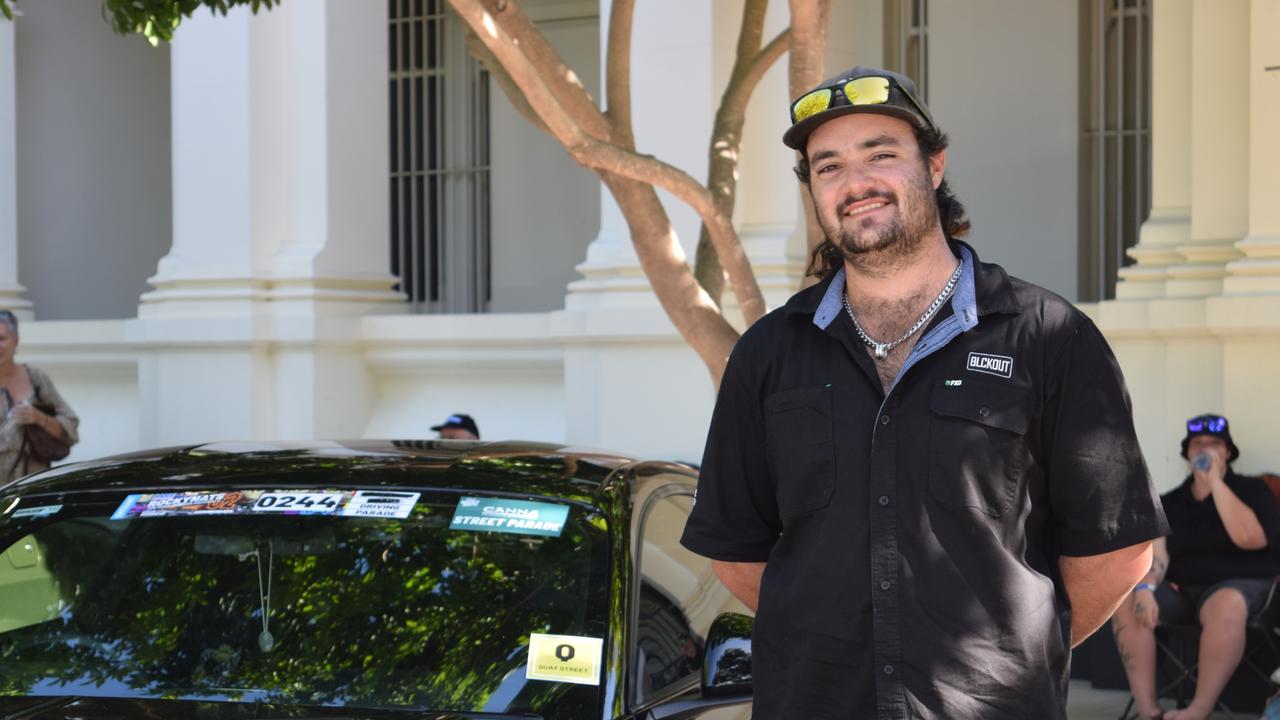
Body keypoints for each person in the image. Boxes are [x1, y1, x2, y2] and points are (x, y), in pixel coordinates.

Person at [678, 66, 1169, 719]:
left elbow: (1117, 547)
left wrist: (1013, 651)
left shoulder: (1049, 338)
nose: (856, 183)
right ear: (815, 192)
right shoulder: (769, 354)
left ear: (935, 166)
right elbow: (738, 554)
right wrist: (833, 641)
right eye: (828, 167)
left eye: (880, 154)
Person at [1111, 414, 1280, 720]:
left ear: (1228, 452)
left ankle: (1198, 709)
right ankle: (1149, 711)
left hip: (1244, 589)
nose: (1204, 450)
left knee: (1224, 604)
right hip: (1184, 591)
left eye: (1214, 444)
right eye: (1197, 445)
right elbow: (1157, 554)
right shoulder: (1170, 502)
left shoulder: (1253, 491)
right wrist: (1146, 589)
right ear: (1187, 453)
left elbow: (1250, 538)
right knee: (1128, 599)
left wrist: (1215, 481)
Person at [0, 310, 79, 483]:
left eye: (1, 339)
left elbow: (71, 424)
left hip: (33, 484)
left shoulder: (36, 378)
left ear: (16, 341)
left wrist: (39, 418)